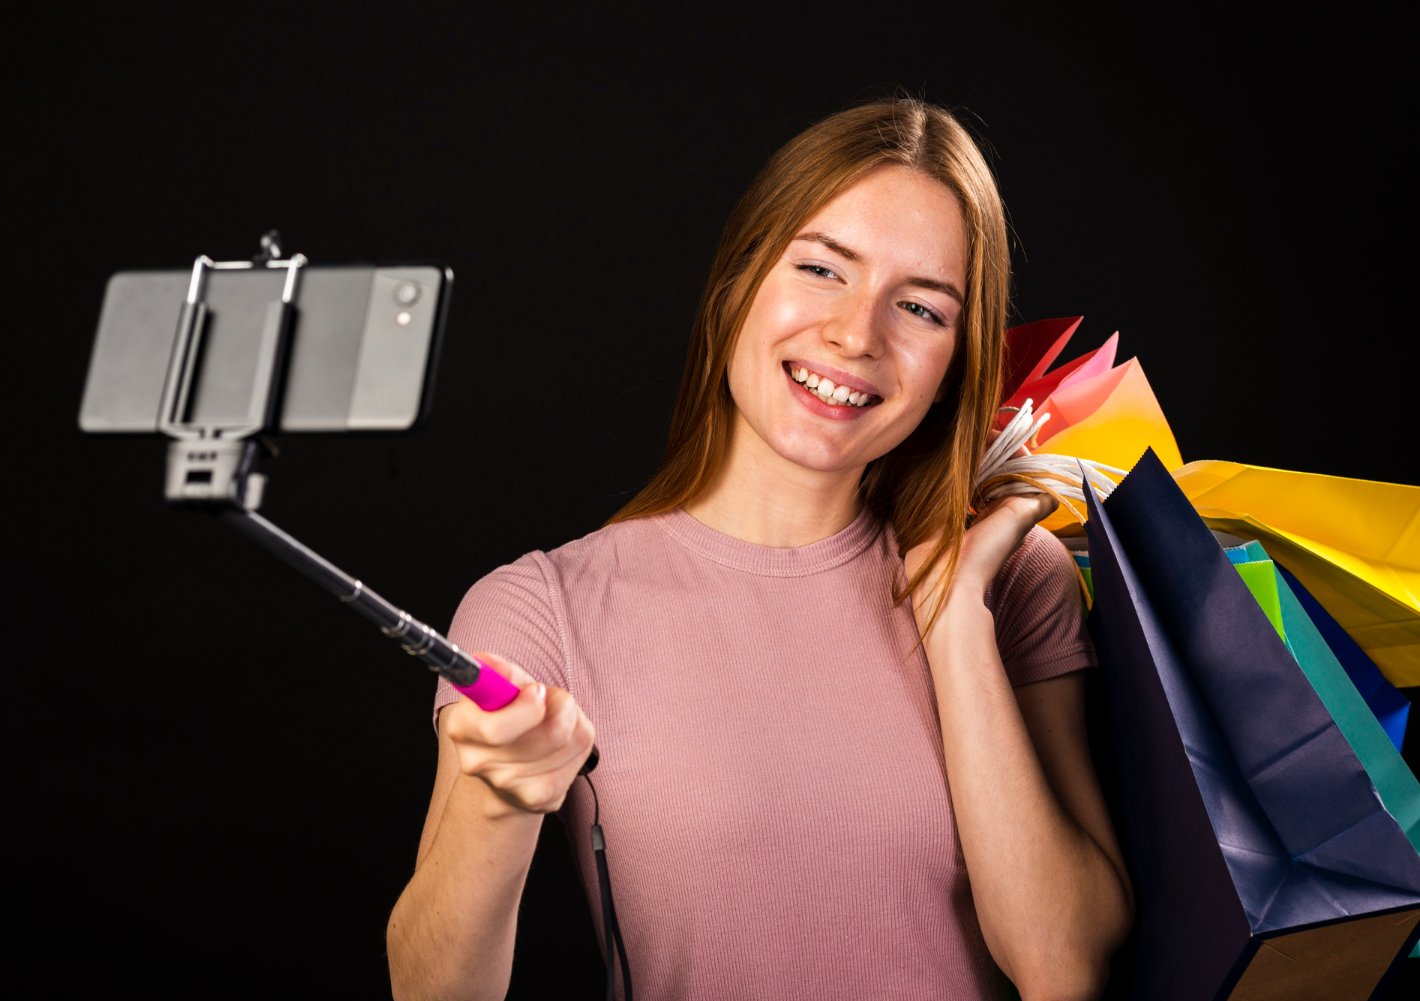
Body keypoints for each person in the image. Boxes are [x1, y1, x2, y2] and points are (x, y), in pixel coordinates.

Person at [386, 96, 1134, 1001]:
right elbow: (430, 992)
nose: (856, 334)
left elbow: (1063, 967)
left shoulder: (1011, 582)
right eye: (820, 268)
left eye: (920, 308)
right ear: (738, 280)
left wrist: (956, 621)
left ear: (955, 366)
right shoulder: (542, 608)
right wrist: (495, 800)